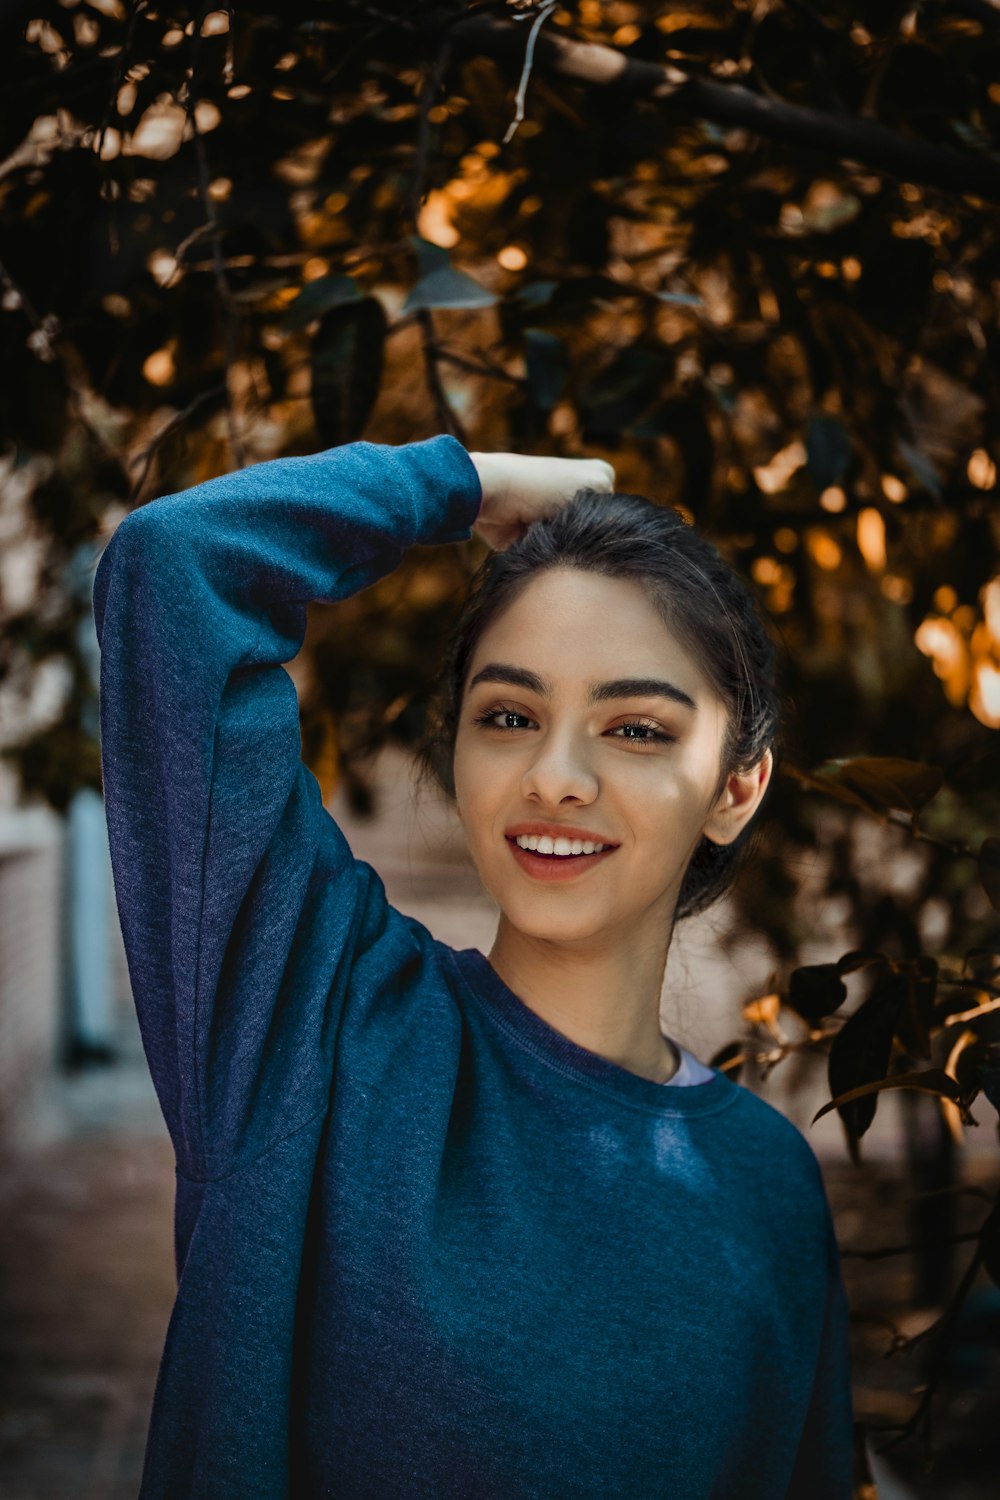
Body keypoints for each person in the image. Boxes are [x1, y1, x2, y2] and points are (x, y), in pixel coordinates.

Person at [93, 435, 854, 1499]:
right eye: (509, 716)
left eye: (634, 728)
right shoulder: (317, 1028)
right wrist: (469, 487)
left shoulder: (772, 1190)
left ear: (738, 787)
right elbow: (177, 568)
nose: (555, 777)